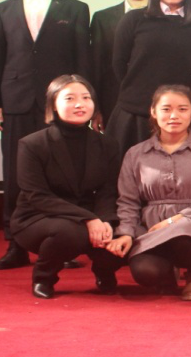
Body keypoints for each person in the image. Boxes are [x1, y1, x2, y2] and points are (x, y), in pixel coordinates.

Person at [0, 0, 91, 271]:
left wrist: (82, 102)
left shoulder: (75, 8)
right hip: (16, 100)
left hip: (59, 103)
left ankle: (64, 244)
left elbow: (82, 60)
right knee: (15, 175)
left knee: (62, 174)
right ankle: (15, 244)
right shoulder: (3, 9)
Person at [9, 75, 122, 298]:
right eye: (70, 98)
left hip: (91, 214)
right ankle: (43, 278)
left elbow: (108, 191)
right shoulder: (32, 144)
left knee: (123, 232)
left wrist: (105, 221)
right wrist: (88, 219)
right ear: (53, 104)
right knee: (71, 232)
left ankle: (104, 272)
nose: (80, 104)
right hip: (39, 217)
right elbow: (37, 196)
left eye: (86, 98)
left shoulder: (107, 144)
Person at [112, 85, 191, 301]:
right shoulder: (136, 153)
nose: (174, 116)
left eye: (182, 109)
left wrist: (176, 221)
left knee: (185, 235)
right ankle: (167, 276)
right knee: (145, 272)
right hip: (150, 228)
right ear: (153, 112)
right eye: (166, 109)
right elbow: (128, 201)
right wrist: (126, 232)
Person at [108, 0, 191, 153]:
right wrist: (139, 91)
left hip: (180, 117)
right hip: (135, 114)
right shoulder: (134, 19)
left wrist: (183, 100)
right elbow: (119, 64)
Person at [89, 0, 158, 128]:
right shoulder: (103, 18)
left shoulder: (165, 18)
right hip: (113, 103)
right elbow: (97, 66)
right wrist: (96, 108)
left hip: (156, 104)